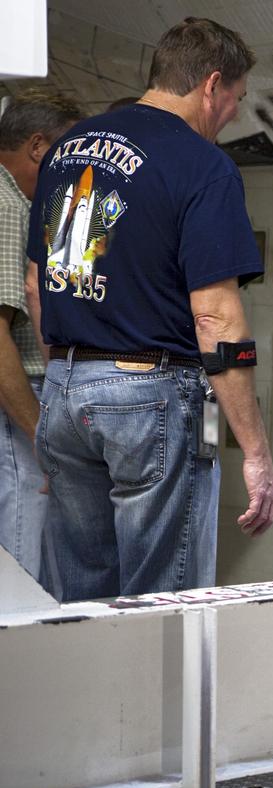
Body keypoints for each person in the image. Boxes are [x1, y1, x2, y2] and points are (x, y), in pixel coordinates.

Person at [24, 17, 273, 788]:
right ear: (212, 85)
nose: (229, 119)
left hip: (64, 386)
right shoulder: (199, 162)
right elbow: (215, 314)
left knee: (89, 616)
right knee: (161, 622)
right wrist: (258, 453)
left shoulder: (67, 151)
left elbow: (37, 282)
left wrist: (71, 366)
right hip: (146, 393)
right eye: (233, 103)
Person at [0, 92, 83, 594]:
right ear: (37, 147)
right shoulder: (10, 206)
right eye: (64, 152)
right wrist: (39, 437)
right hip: (16, 409)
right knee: (24, 567)